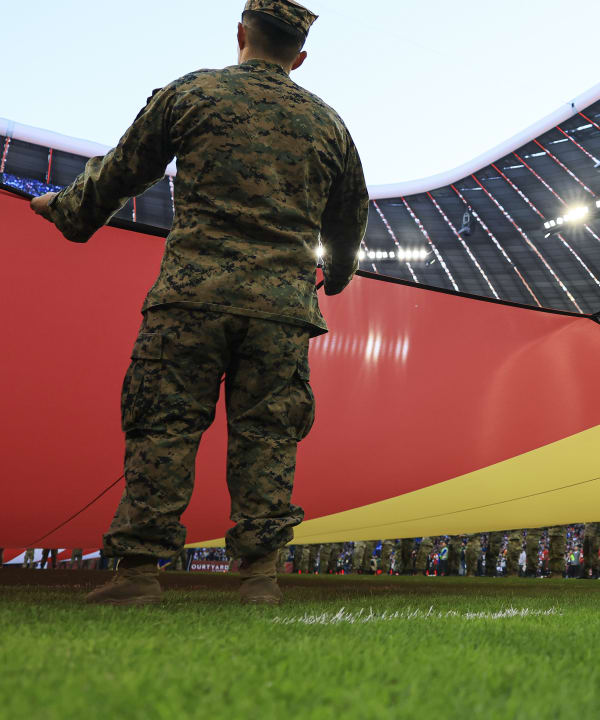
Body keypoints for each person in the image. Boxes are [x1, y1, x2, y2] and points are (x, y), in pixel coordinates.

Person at [32, 0, 368, 606]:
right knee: (267, 436)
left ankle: (137, 575)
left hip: (190, 300)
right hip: (280, 310)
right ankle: (260, 577)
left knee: (163, 426)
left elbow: (120, 172)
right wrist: (338, 277)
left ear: (240, 33)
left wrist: (67, 210)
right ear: (300, 57)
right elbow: (349, 221)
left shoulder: (192, 94)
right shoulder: (328, 124)